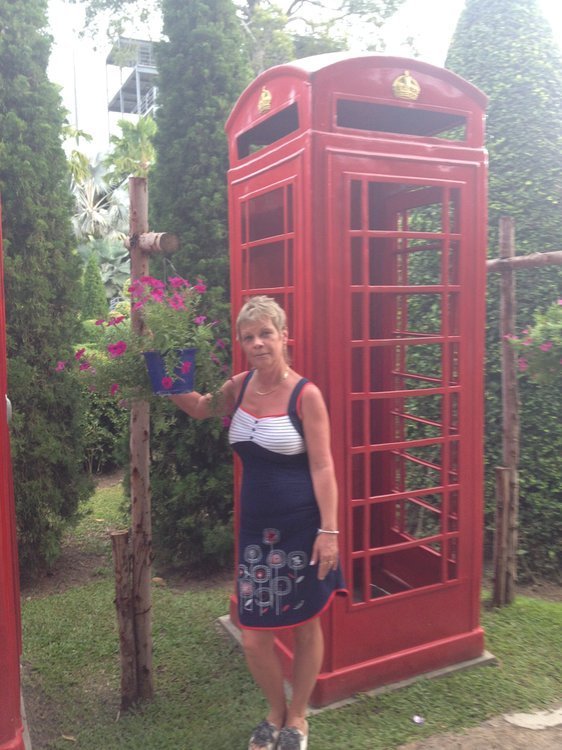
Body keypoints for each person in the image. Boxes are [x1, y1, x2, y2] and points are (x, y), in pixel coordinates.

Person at [170, 295, 346, 750]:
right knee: (254, 638)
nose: (258, 343)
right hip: (256, 533)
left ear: (284, 336)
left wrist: (329, 532)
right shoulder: (239, 385)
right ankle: (274, 709)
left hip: (303, 529)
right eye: (248, 337)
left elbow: (323, 466)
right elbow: (200, 407)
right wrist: (165, 374)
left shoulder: (306, 395)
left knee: (305, 624)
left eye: (266, 333)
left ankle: (297, 717)